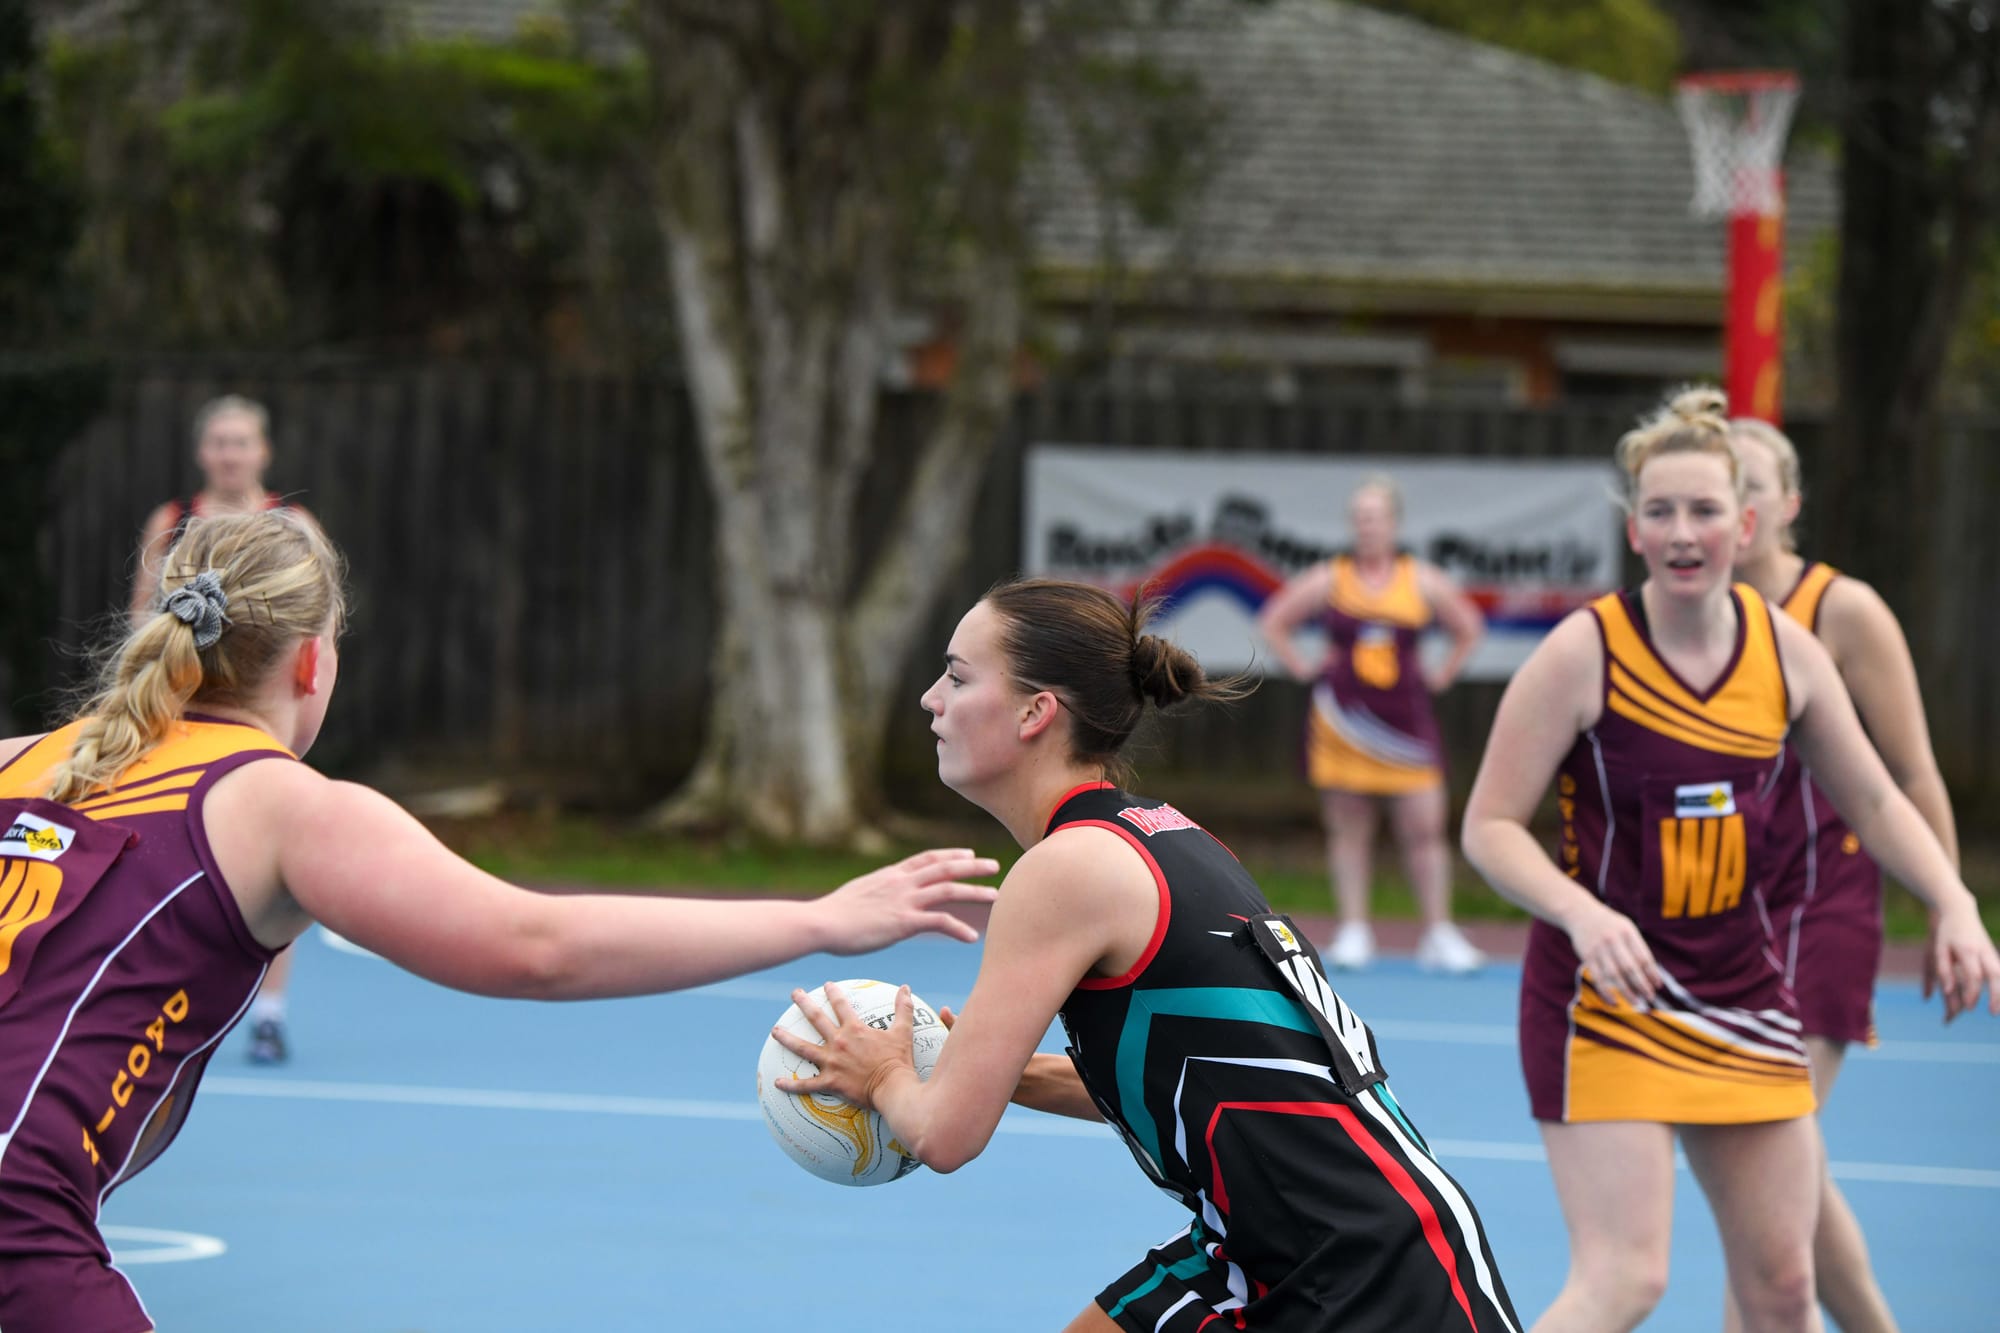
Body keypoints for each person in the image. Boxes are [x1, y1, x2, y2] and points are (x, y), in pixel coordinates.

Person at [0, 510, 999, 1333]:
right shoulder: (277, 803)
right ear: (313, 664)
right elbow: (538, 948)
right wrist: (818, 919)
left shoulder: (19, 760)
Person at [771, 577, 1522, 1333]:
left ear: (1037, 712)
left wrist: (886, 1074)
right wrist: (1001, 1070)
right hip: (1301, 1235)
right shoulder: (1164, 834)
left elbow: (943, 1135)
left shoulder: (1068, 870)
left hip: (1362, 1277)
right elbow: (1201, 1069)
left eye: (959, 677)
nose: (933, 699)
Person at [1457, 388, 1999, 1333]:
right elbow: (1490, 825)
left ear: (1745, 523)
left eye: (1705, 508)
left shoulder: (1787, 652)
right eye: (1660, 509)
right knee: (1627, 1277)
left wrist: (1954, 900)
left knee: (1784, 1288)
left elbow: (1874, 794)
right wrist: (1582, 912)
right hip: (1608, 996)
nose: (1683, 529)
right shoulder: (1583, 652)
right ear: (1634, 529)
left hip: (1742, 992)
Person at [1726, 416, 1958, 1333]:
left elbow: (1914, 772)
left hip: (1827, 906)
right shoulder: (1683, 617)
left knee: (1767, 1154)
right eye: (1714, 488)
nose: (1730, 509)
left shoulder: (1844, 610)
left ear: (1786, 504)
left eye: (1748, 487)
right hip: (1723, 918)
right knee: (1791, 1160)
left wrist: (1947, 907)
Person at [129, 394, 316, 1064]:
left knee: (277, 863)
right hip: (178, 717)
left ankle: (267, 1013)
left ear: (262, 451)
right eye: (219, 442)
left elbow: (315, 622)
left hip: (261, 725)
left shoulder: (291, 524)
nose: (230, 453)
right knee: (164, 855)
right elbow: (141, 619)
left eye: (242, 442)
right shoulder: (174, 522)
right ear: (202, 451)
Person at [1257, 475, 1488, 972]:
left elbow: (1468, 626)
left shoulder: (1421, 580)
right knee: (1348, 828)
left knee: (1425, 826)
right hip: (1343, 721)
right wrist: (1302, 666)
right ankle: (1355, 929)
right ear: (1352, 525)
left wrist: (1444, 671)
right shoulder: (1329, 578)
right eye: (1360, 517)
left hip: (1405, 722)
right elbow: (1275, 621)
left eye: (1377, 517)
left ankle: (1438, 931)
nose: (1368, 526)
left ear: (1394, 524)